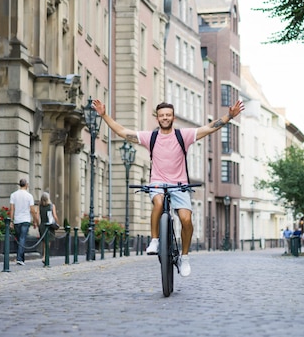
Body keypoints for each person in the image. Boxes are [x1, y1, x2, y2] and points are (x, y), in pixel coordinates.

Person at [91, 98, 245, 277]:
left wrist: (229, 116)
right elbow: (123, 132)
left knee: (186, 220)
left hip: (180, 185)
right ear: (157, 118)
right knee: (159, 201)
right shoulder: (151, 137)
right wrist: (104, 115)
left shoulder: (183, 136)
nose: (165, 118)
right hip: (157, 183)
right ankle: (155, 240)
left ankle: (184, 257)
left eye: (168, 115)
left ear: (173, 117)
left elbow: (209, 128)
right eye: (162, 115)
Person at [9, 178, 39, 265]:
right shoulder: (29, 196)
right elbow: (32, 210)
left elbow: (12, 209)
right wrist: (34, 221)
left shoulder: (13, 195)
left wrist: (11, 221)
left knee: (19, 238)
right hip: (25, 219)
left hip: (17, 220)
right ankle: (19, 258)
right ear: (26, 185)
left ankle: (21, 258)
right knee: (22, 238)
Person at [38, 192, 59, 261]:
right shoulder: (52, 206)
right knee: (48, 242)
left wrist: (38, 224)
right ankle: (45, 256)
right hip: (49, 226)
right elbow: (55, 216)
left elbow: (38, 216)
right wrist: (57, 222)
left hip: (42, 225)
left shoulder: (40, 206)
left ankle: (44, 255)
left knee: (44, 241)